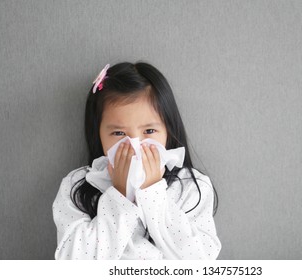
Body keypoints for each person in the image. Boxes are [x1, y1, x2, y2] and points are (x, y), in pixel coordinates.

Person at [52, 62, 221, 259]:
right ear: (98, 134)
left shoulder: (191, 186)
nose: (134, 146)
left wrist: (153, 194)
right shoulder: (78, 186)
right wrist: (120, 196)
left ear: (168, 130)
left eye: (149, 131)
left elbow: (201, 259)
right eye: (118, 133)